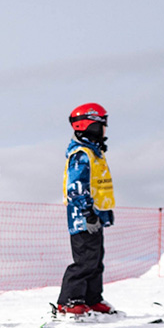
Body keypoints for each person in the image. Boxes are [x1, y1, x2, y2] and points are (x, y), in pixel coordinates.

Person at [57, 103, 116, 315]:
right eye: (102, 125)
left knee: (96, 260)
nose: (104, 130)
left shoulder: (94, 152)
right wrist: (87, 213)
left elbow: (98, 186)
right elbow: (76, 187)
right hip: (83, 217)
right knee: (85, 261)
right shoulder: (81, 154)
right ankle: (69, 301)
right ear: (90, 125)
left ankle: (92, 298)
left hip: (95, 216)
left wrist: (104, 212)